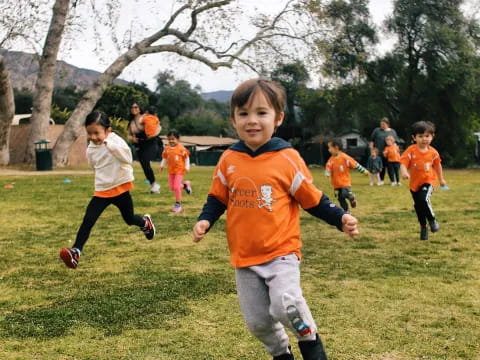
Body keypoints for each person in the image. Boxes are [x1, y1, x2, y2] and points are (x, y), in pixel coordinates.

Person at [192, 78, 360, 360]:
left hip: (281, 252)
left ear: (278, 118)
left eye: (261, 113)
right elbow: (218, 198)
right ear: (233, 119)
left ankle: (311, 344)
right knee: (257, 322)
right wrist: (205, 220)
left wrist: (340, 218)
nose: (252, 121)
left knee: (286, 306)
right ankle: (281, 353)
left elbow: (312, 198)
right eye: (243, 114)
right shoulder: (229, 159)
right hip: (244, 257)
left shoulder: (287, 157)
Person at [59, 111, 156, 269]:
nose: (93, 137)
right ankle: (76, 252)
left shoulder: (116, 141)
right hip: (102, 191)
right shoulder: (90, 148)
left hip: (120, 188)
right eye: (90, 133)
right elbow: (94, 166)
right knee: (88, 221)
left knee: (129, 218)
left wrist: (109, 145)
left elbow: (128, 159)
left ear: (108, 131)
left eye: (96, 133)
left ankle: (145, 223)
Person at [400, 121, 446, 241]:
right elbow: (403, 163)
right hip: (415, 184)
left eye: (427, 136)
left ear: (432, 136)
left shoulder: (433, 152)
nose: (424, 139)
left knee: (423, 199)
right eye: (420, 136)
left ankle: (432, 220)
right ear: (414, 137)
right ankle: (423, 227)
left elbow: (437, 166)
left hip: (428, 180)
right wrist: (404, 171)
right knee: (419, 207)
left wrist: (441, 179)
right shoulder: (411, 150)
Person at [325, 140, 369, 212]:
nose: (328, 150)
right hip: (336, 184)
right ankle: (347, 211)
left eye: (330, 148)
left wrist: (363, 171)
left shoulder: (345, 157)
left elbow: (355, 164)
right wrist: (327, 173)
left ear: (336, 147)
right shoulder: (331, 160)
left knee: (345, 194)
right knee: (340, 198)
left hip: (345, 182)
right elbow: (328, 167)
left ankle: (352, 198)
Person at [127, 103, 161, 194]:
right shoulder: (131, 122)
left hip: (150, 142)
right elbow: (129, 135)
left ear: (139, 108)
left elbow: (158, 127)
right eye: (132, 107)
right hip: (139, 144)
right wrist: (132, 139)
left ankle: (154, 185)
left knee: (145, 161)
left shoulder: (146, 116)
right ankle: (153, 184)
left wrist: (152, 135)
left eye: (136, 107)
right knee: (144, 165)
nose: (134, 108)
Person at [160, 129, 192, 213]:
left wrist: (187, 166)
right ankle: (185, 185)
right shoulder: (166, 148)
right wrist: (162, 165)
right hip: (171, 170)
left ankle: (178, 205)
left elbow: (187, 158)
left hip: (179, 170)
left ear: (178, 139)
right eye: (169, 139)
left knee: (176, 187)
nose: (171, 141)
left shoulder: (181, 148)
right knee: (172, 187)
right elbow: (164, 158)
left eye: (173, 139)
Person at [369, 117, 399, 185]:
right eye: (381, 124)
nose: (381, 125)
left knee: (390, 168)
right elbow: (371, 141)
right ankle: (381, 180)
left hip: (390, 154)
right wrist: (371, 150)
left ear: (387, 124)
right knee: (381, 167)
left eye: (383, 124)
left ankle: (393, 181)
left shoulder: (392, 131)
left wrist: (396, 151)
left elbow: (396, 142)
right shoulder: (376, 130)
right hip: (379, 152)